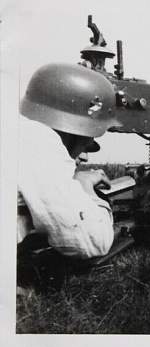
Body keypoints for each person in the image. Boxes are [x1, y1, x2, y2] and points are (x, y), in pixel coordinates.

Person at [17, 63, 121, 259]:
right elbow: (92, 242)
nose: (84, 156)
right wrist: (85, 186)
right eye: (88, 141)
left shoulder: (20, 131)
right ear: (76, 130)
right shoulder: (40, 144)